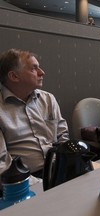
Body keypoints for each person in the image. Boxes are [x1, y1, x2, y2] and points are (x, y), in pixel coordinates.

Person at [0, 49, 69, 180]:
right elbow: (2, 164)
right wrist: (39, 184)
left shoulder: (48, 99)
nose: (42, 72)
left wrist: (68, 167)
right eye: (34, 68)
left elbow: (62, 137)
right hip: (23, 181)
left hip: (58, 170)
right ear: (14, 76)